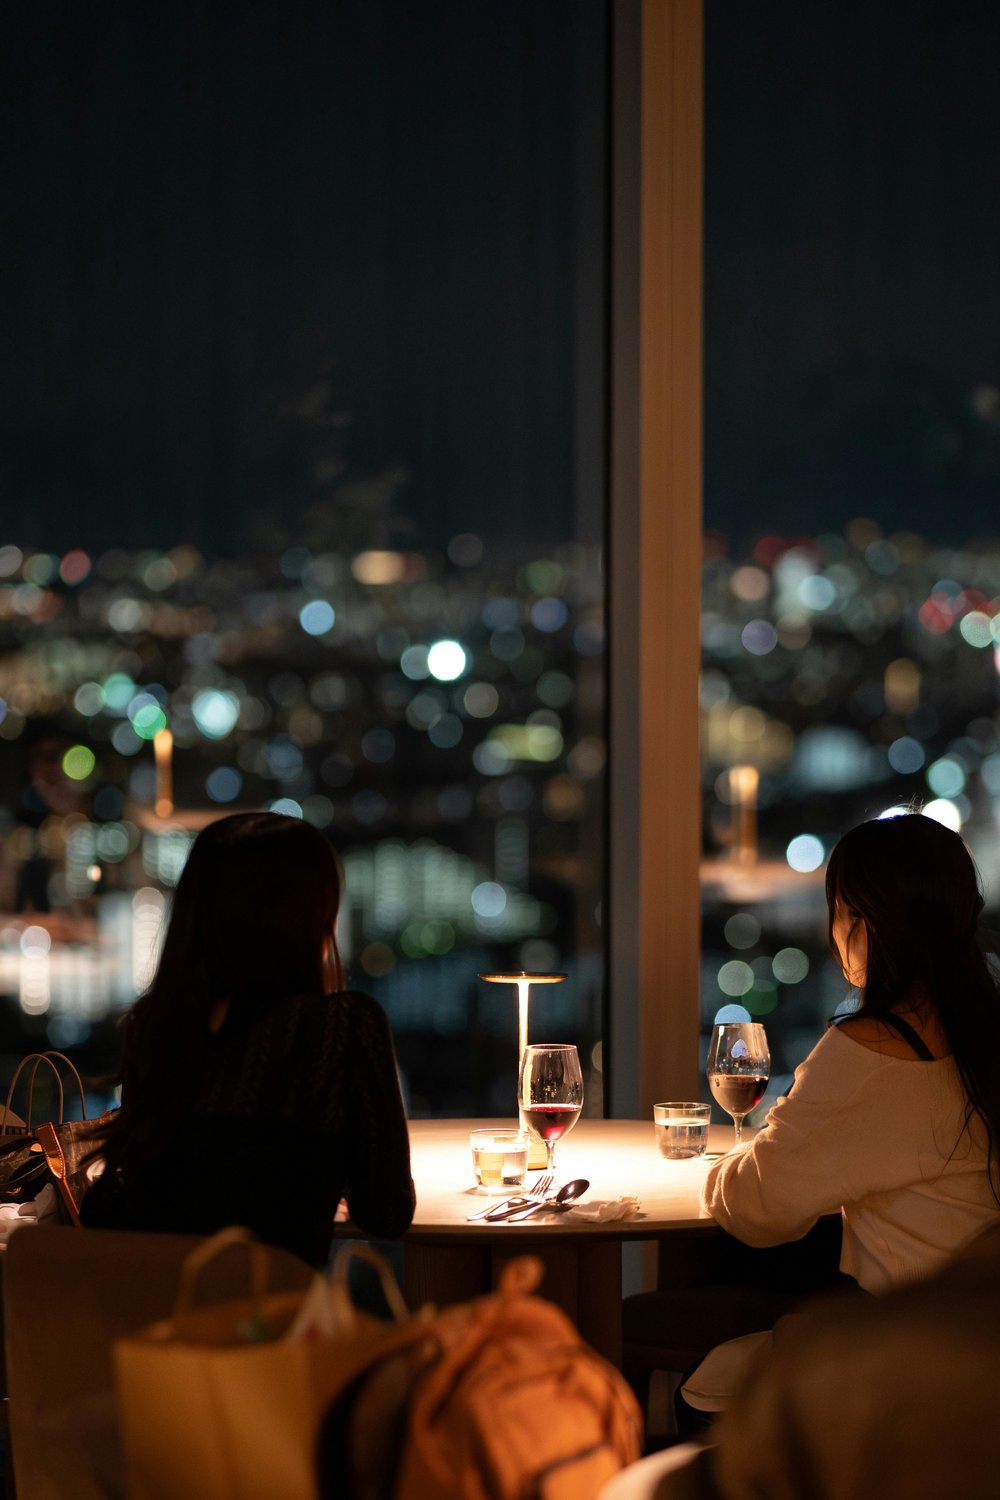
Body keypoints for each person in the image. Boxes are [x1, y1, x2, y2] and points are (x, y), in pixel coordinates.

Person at [81, 811, 415, 1266]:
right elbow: (386, 1213)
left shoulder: (156, 1023)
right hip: (270, 1325)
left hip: (149, 1318)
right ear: (310, 916)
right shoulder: (343, 1025)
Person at [702, 812, 1000, 1295]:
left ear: (860, 922)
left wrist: (726, 1168)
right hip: (978, 1336)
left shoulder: (871, 1050)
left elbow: (757, 1208)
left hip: (910, 1346)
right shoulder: (981, 1028)